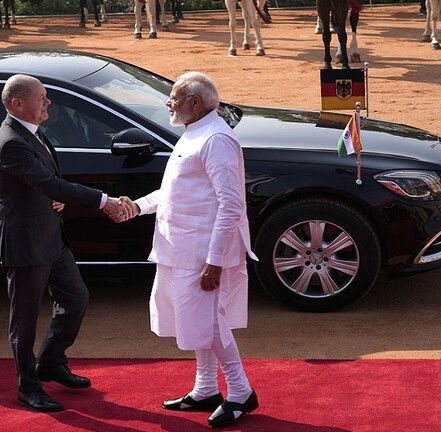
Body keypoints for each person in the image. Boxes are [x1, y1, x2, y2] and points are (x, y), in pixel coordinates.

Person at [119, 72, 259, 427]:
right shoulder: (194, 133)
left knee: (210, 323)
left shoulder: (216, 140)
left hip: (202, 253)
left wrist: (214, 261)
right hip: (180, 249)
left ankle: (240, 391)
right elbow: (175, 192)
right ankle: (206, 389)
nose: (169, 103)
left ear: (195, 102)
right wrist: (138, 206)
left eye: (175, 97)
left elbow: (231, 205)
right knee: (198, 322)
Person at [0, 74, 131, 413]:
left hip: (50, 236)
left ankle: (50, 362)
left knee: (76, 298)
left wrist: (55, 197)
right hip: (24, 243)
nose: (48, 102)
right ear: (17, 104)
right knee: (23, 323)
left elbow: (45, 183)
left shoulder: (32, 132)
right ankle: (28, 388)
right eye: (41, 98)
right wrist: (103, 201)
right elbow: (47, 182)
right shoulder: (11, 143)